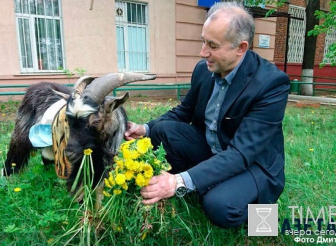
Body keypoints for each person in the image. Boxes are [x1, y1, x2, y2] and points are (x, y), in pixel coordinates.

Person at [124, 1, 290, 228]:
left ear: (240, 48)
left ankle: (264, 214)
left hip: (252, 164)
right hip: (213, 150)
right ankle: (207, 183)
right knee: (162, 130)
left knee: (219, 206)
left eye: (212, 45)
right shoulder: (204, 69)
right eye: (203, 41)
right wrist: (145, 129)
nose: (203, 53)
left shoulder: (271, 84)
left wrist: (177, 182)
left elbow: (241, 154)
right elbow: (184, 112)